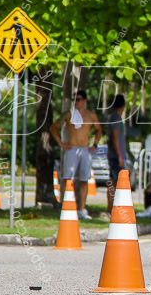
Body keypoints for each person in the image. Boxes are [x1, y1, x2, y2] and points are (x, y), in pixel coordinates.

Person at [49, 89, 103, 220]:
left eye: (78, 100)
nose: (76, 103)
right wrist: (61, 143)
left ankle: (82, 209)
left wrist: (95, 144)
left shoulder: (91, 116)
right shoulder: (68, 114)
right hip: (72, 148)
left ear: (84, 101)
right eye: (74, 100)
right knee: (68, 178)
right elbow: (54, 127)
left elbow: (98, 130)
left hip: (85, 149)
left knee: (84, 179)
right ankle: (66, 205)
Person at [105, 94, 128, 215]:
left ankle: (112, 207)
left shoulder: (112, 117)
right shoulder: (116, 118)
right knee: (117, 182)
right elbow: (115, 137)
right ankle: (113, 208)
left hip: (113, 154)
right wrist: (120, 155)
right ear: (123, 105)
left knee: (113, 181)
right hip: (116, 155)